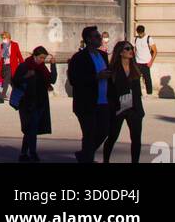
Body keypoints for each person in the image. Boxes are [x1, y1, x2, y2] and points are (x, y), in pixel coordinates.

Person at [67, 25, 111, 163]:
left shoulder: (103, 55)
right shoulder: (79, 57)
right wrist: (96, 77)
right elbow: (74, 80)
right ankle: (87, 158)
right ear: (88, 39)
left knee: (104, 131)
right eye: (97, 36)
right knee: (89, 134)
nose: (100, 39)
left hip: (103, 101)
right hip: (87, 103)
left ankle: (85, 154)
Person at [10, 46, 57, 163]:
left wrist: (53, 65)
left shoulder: (42, 68)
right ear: (35, 56)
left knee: (31, 129)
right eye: (41, 57)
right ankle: (32, 153)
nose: (42, 60)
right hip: (27, 102)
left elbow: (52, 79)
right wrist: (26, 76)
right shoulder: (25, 66)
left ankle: (24, 153)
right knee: (31, 128)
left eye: (44, 58)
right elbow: (15, 81)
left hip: (40, 102)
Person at [103, 41, 145, 164]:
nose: (131, 50)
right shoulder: (113, 69)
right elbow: (109, 91)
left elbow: (138, 92)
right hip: (118, 108)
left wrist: (140, 111)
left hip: (134, 109)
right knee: (112, 137)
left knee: (136, 139)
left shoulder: (135, 68)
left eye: (132, 48)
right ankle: (106, 160)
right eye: (127, 48)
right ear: (120, 52)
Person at [0, 31, 23, 102]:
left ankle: (2, 96)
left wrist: (23, 64)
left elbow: (19, 55)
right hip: (4, 66)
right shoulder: (2, 45)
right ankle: (19, 95)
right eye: (3, 38)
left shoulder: (15, 45)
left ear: (9, 38)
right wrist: (0, 68)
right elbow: (2, 58)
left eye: (4, 38)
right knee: (12, 82)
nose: (3, 39)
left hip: (12, 66)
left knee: (6, 80)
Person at [133, 25, 156, 96]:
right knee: (136, 78)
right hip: (138, 62)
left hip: (146, 62)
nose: (140, 34)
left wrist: (151, 62)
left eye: (141, 33)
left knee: (147, 78)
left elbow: (155, 51)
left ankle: (149, 93)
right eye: (138, 33)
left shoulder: (149, 38)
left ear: (143, 32)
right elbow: (135, 49)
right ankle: (138, 93)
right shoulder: (136, 39)